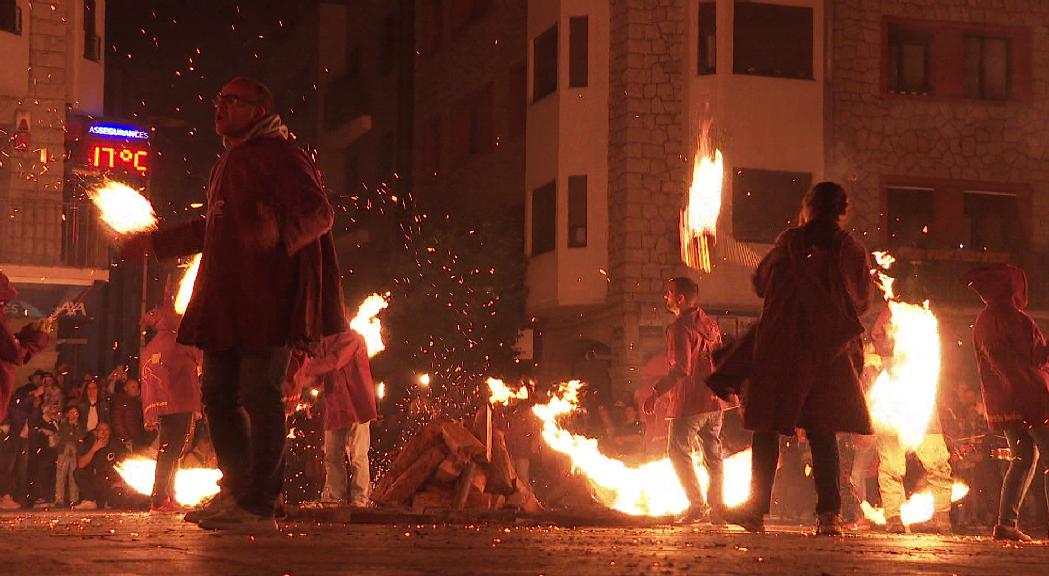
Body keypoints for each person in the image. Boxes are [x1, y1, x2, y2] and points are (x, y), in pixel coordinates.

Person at [126, 77, 347, 532]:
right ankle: (237, 491)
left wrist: (279, 235)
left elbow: (320, 213)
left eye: (231, 100)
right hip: (227, 303)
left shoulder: (284, 155)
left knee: (259, 394)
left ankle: (260, 504)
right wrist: (158, 244)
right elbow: (216, 228)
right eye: (217, 99)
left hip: (267, 302)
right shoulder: (232, 159)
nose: (219, 107)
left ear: (259, 108)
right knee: (217, 396)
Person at [718, 182, 873, 535]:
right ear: (841, 211)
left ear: (807, 208)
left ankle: (756, 510)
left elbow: (761, 283)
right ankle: (829, 516)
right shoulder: (850, 249)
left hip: (782, 346)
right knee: (822, 430)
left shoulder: (787, 245)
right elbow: (861, 300)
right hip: (825, 349)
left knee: (767, 428)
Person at [966, 263, 1049, 542]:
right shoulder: (1017, 319)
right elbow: (1038, 356)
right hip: (1031, 397)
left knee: (1023, 457)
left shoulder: (982, 320)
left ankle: (1005, 524)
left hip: (1003, 403)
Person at [642, 276, 727, 524]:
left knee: (677, 451)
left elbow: (681, 368)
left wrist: (656, 392)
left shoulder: (680, 327)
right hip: (714, 400)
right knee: (713, 452)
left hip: (691, 401)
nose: (665, 297)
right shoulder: (710, 324)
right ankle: (717, 508)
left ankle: (696, 504)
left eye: (669, 293)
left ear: (680, 299)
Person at [870, 306, 953, 534]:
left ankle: (942, 516)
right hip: (891, 405)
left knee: (938, 464)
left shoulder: (922, 321)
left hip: (922, 403)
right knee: (891, 466)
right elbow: (878, 340)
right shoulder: (888, 317)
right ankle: (894, 517)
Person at [302, 329, 377, 507]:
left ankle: (360, 499)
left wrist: (302, 370)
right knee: (332, 455)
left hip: (356, 403)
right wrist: (304, 380)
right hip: (336, 406)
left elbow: (333, 362)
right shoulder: (325, 343)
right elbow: (320, 378)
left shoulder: (353, 338)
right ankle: (335, 498)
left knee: (357, 454)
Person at [140, 304, 203, 512]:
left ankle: (167, 496)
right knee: (171, 452)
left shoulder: (152, 346)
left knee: (169, 450)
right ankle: (160, 498)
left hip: (163, 406)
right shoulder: (180, 341)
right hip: (180, 402)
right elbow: (200, 356)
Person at [74, 422, 128, 510]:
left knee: (118, 498)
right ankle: (91, 500)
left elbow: (126, 462)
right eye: (100, 430)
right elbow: (81, 464)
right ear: (95, 433)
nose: (104, 433)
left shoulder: (116, 444)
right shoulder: (89, 443)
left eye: (106, 430)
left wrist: (121, 481)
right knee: (78, 472)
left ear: (110, 432)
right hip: (95, 481)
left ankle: (107, 502)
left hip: (111, 482)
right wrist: (94, 449)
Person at [111, 378, 149, 452]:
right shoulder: (120, 401)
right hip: (129, 439)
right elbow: (117, 422)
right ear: (125, 388)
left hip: (137, 437)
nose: (136, 389)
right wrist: (126, 438)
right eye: (133, 387)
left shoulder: (136, 402)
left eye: (137, 387)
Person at [54, 404, 80, 507]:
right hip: (63, 452)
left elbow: (80, 437)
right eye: (71, 413)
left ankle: (74, 499)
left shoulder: (79, 426)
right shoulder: (63, 425)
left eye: (75, 413)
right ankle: (59, 499)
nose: (73, 415)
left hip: (75, 453)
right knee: (61, 475)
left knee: (73, 476)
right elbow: (62, 436)